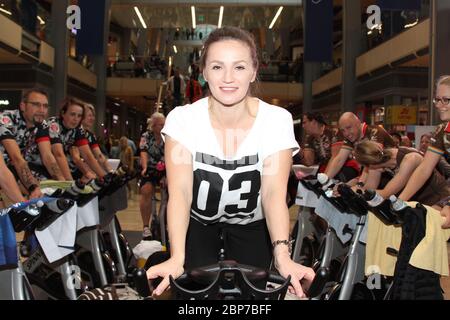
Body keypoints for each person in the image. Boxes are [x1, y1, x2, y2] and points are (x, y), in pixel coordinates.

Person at [146, 26, 315, 298]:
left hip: (251, 224)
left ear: (254, 71)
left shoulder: (275, 120)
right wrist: (177, 256)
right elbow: (180, 192)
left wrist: (282, 253)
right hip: (198, 223)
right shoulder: (183, 119)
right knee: (195, 299)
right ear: (203, 72)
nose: (227, 78)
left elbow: (273, 194)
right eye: (217, 67)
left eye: (238, 67)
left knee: (253, 299)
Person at [354, 140, 450, 207]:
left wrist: (355, 190)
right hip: (419, 205)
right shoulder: (378, 164)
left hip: (440, 201)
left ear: (369, 164)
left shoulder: (409, 159)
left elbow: (386, 193)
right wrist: (355, 190)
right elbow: (370, 188)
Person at [399, 76, 450, 202]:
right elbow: (424, 169)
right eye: (437, 99)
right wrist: (399, 202)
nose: (439, 105)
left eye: (446, 100)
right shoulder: (441, 130)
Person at [47, 98, 107, 182]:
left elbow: (87, 155)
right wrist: (70, 182)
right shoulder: (53, 124)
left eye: (79, 116)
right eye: (72, 114)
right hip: (47, 167)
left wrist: (105, 176)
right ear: (63, 113)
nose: (76, 119)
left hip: (66, 168)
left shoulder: (78, 128)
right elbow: (58, 154)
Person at [324, 112, 395, 181]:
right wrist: (325, 180)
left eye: (348, 128)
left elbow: (372, 160)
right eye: (343, 131)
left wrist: (359, 184)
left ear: (358, 123)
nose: (346, 133)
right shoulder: (351, 137)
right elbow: (339, 159)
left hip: (392, 173)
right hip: (376, 171)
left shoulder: (375, 131)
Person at [301, 112, 359, 181]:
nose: (303, 126)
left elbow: (336, 158)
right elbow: (309, 162)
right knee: (305, 177)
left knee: (339, 176)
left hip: (344, 166)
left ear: (313, 122)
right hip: (323, 168)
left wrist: (324, 178)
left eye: (304, 122)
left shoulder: (334, 132)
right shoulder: (309, 138)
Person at [139, 112, 166, 240]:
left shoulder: (168, 136)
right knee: (146, 190)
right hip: (150, 168)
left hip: (166, 168)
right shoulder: (146, 136)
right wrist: (144, 167)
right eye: (161, 125)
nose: (163, 127)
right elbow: (143, 151)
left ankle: (165, 220)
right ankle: (145, 227)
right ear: (154, 126)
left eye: (164, 124)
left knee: (169, 190)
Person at [81, 104, 113, 173]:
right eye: (89, 115)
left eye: (93, 116)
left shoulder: (90, 135)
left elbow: (100, 156)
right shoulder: (75, 133)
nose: (92, 118)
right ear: (82, 116)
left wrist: (112, 171)